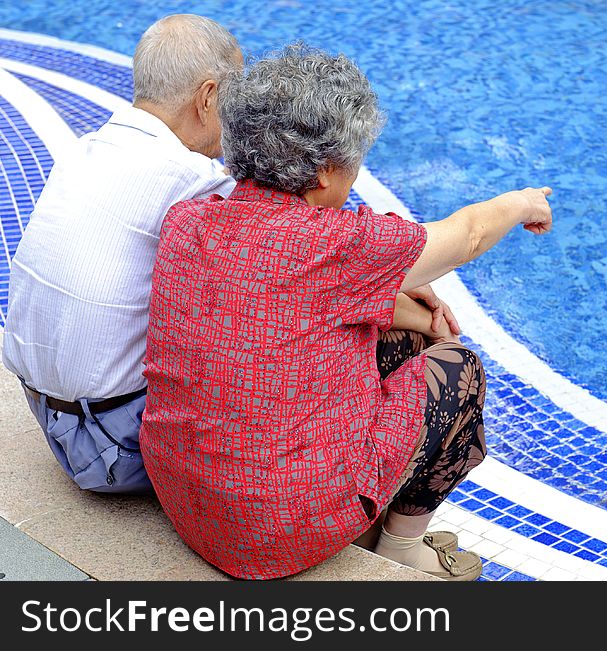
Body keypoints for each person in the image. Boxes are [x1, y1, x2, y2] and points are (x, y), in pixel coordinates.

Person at [140, 44, 552, 581]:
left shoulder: (188, 220)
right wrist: (522, 202)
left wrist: (398, 308)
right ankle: (402, 547)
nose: (355, 180)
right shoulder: (335, 244)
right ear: (324, 172)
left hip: (185, 497)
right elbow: (469, 234)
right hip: (274, 533)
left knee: (402, 337)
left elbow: (284, 310)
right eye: (354, 164)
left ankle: (357, 504)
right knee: (457, 370)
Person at [1, 15, 243, 493]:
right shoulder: (190, 180)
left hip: (49, 418)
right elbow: (299, 257)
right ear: (208, 96)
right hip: (115, 444)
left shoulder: (84, 149)